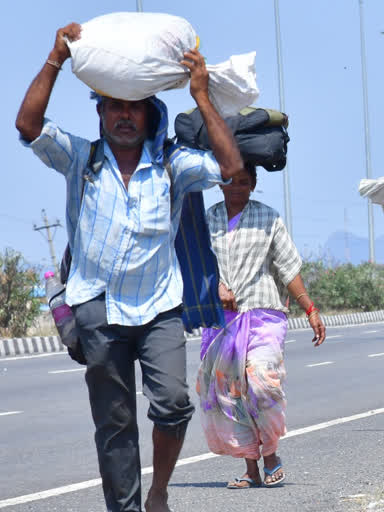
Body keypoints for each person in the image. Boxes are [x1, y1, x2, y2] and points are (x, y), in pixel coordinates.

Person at [16, 23, 243, 512]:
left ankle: (158, 492)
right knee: (114, 424)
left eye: (132, 106)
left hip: (159, 305)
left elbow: (230, 170)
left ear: (149, 112)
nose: (123, 115)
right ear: (100, 112)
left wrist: (202, 97)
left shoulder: (172, 165)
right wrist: (56, 57)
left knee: (174, 404)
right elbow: (28, 127)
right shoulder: (82, 158)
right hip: (96, 306)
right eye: (114, 105)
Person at [197, 165, 326, 488]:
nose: (237, 187)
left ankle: (271, 453)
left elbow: (287, 267)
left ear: (254, 185)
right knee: (232, 394)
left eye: (244, 182)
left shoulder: (268, 218)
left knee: (260, 381)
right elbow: (196, 265)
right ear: (220, 184)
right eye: (230, 181)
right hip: (221, 322)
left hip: (264, 316)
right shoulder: (206, 221)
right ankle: (251, 468)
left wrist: (309, 308)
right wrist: (215, 288)